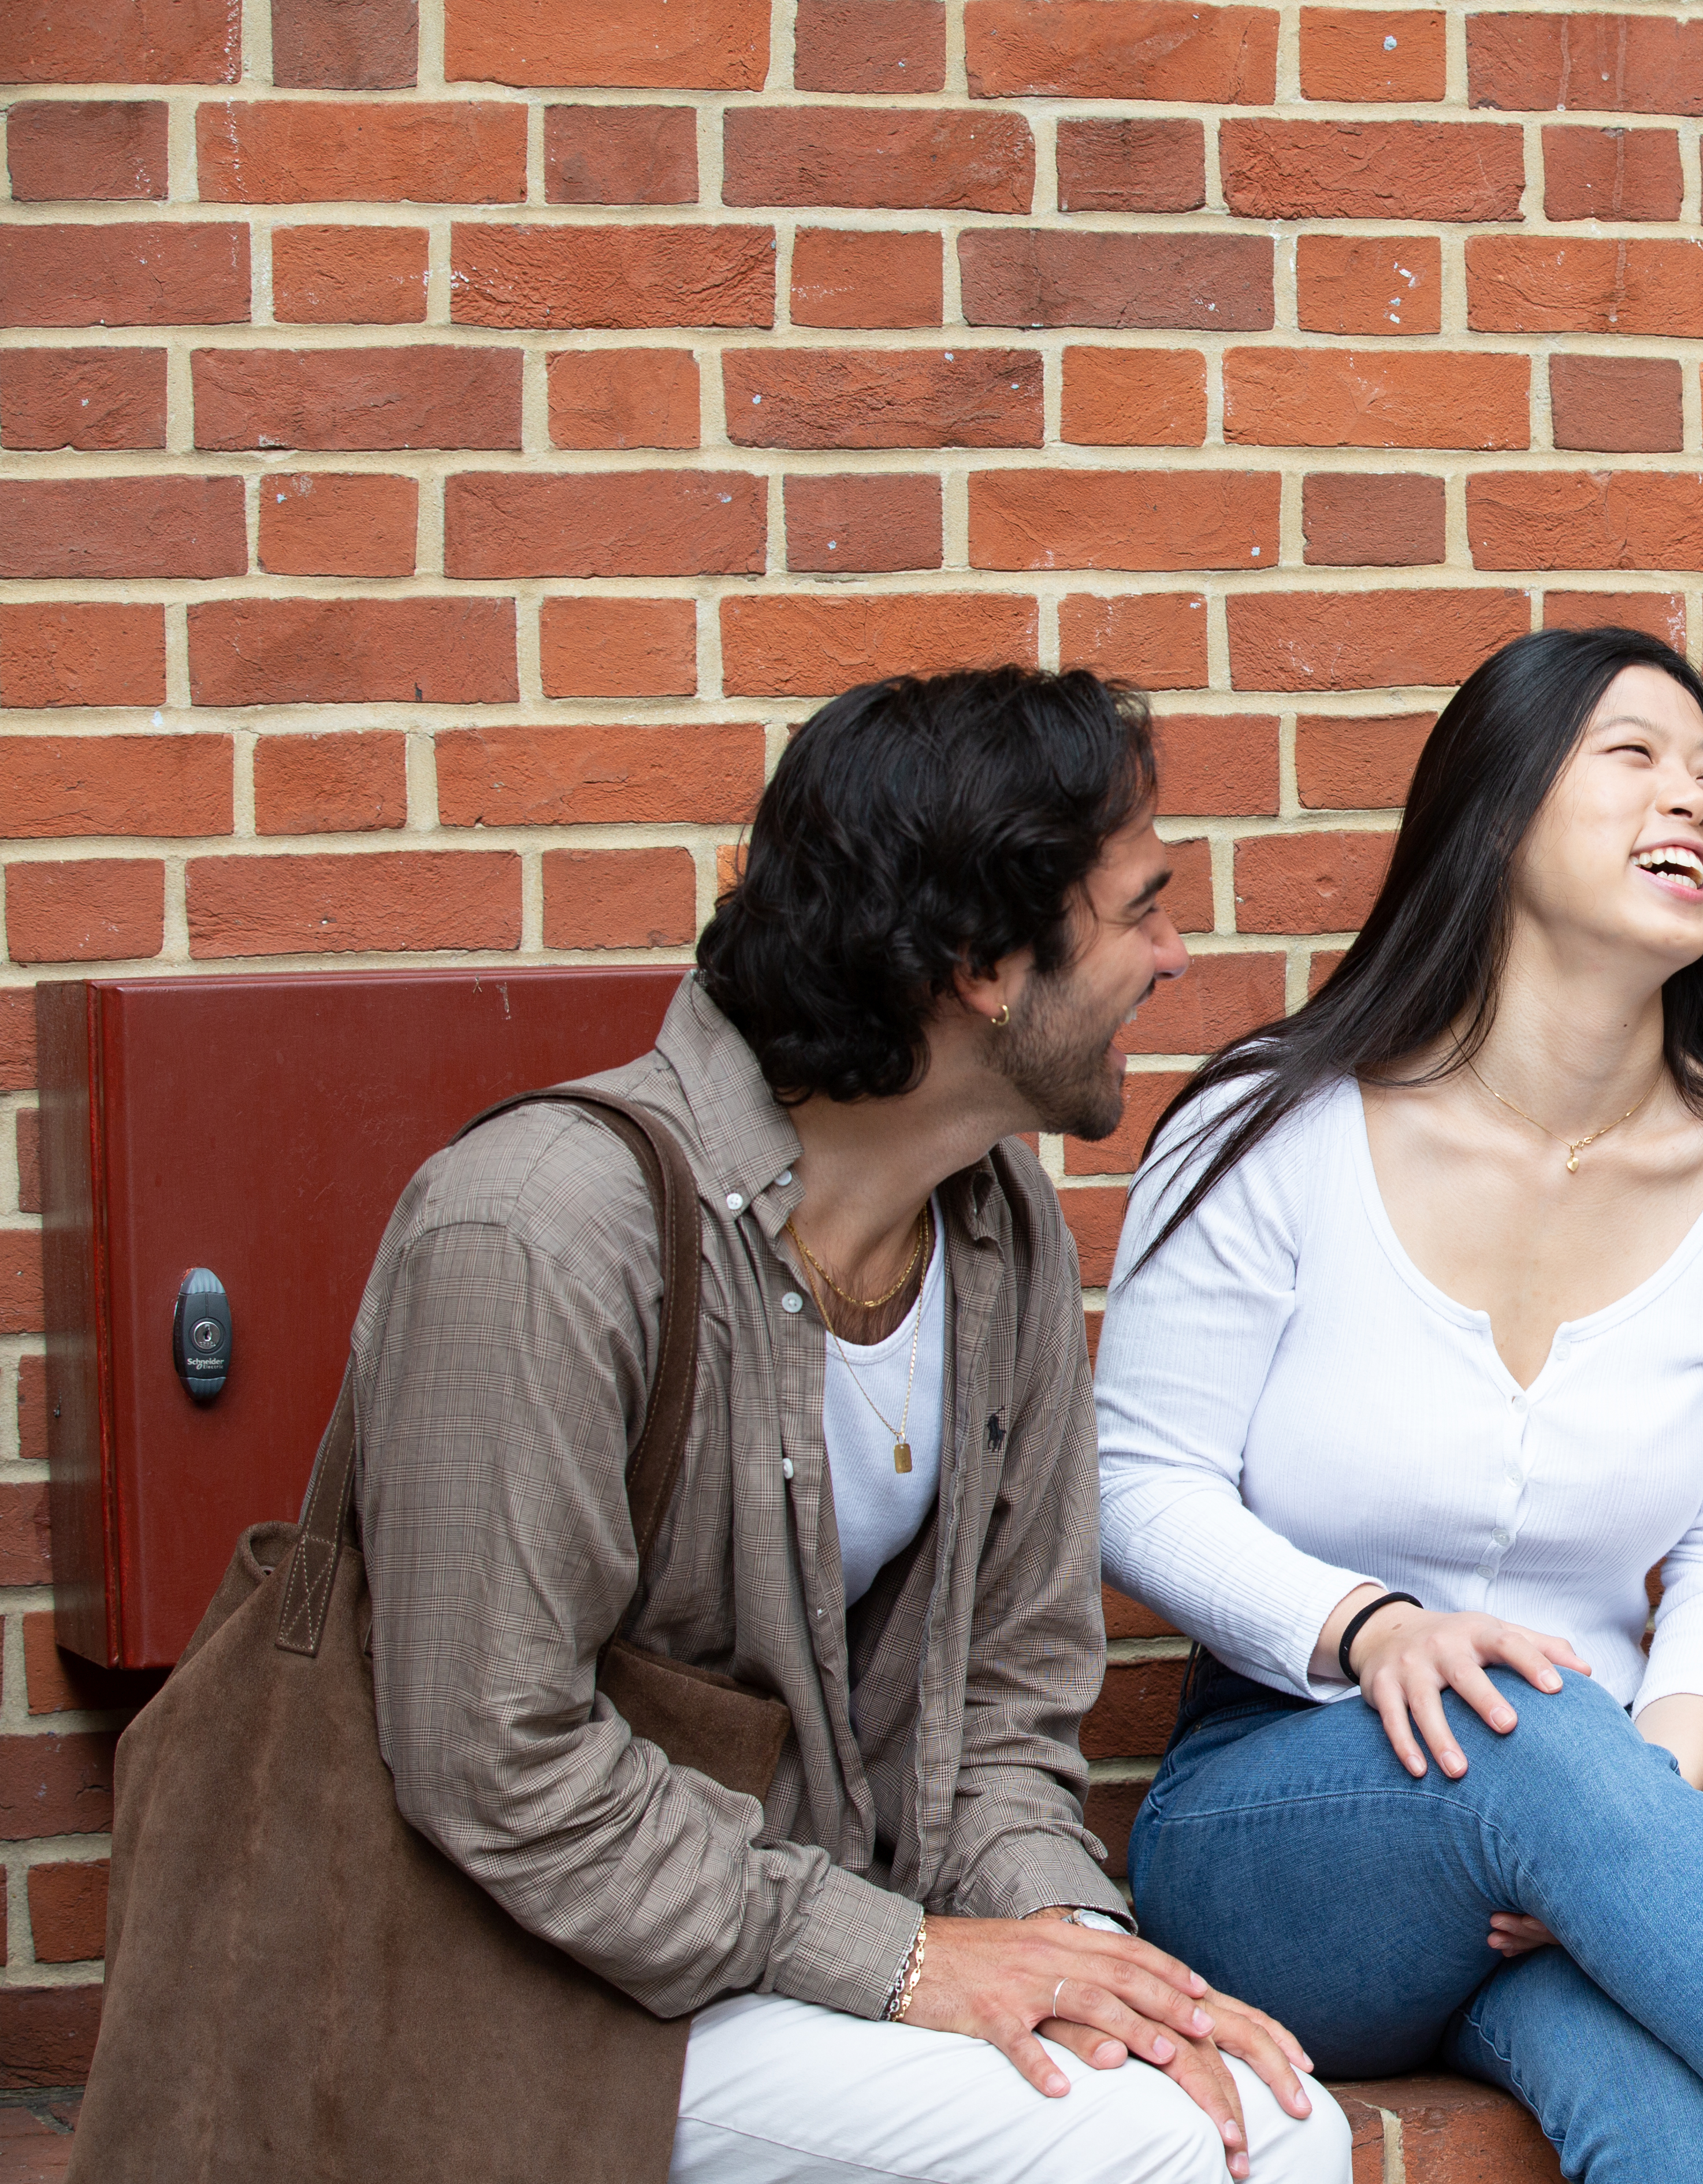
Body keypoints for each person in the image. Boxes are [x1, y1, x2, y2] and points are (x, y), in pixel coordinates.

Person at [343, 667, 1351, 2183]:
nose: (1177, 954)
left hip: (798, 1961)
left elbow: (1009, 1709)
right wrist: (901, 1961)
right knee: (1157, 2156)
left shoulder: (999, 1221)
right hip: (530, 1995)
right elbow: (497, 1758)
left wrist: (1077, 1955)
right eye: (1141, 907)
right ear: (979, 963)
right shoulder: (544, 1228)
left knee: (1255, 2115)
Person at [1095, 627, 1703, 2184]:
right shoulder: (1277, 1129)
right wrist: (1378, 1630)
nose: (1697, 802)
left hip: (1588, 1829)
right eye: (1636, 758)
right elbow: (1136, 1483)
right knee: (1525, 1731)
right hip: (1290, 1824)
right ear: (1498, 816)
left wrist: (1627, 1812)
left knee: (1682, 2143)